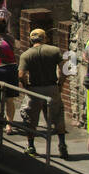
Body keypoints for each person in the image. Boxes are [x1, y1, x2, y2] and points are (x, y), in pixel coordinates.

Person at [18, 28, 68, 159]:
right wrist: (60, 84)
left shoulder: (26, 55)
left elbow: (21, 74)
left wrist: (26, 86)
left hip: (35, 89)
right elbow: (64, 69)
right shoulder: (54, 51)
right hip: (52, 87)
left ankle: (31, 146)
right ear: (45, 38)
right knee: (58, 115)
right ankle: (62, 144)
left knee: (30, 117)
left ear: (30, 40)